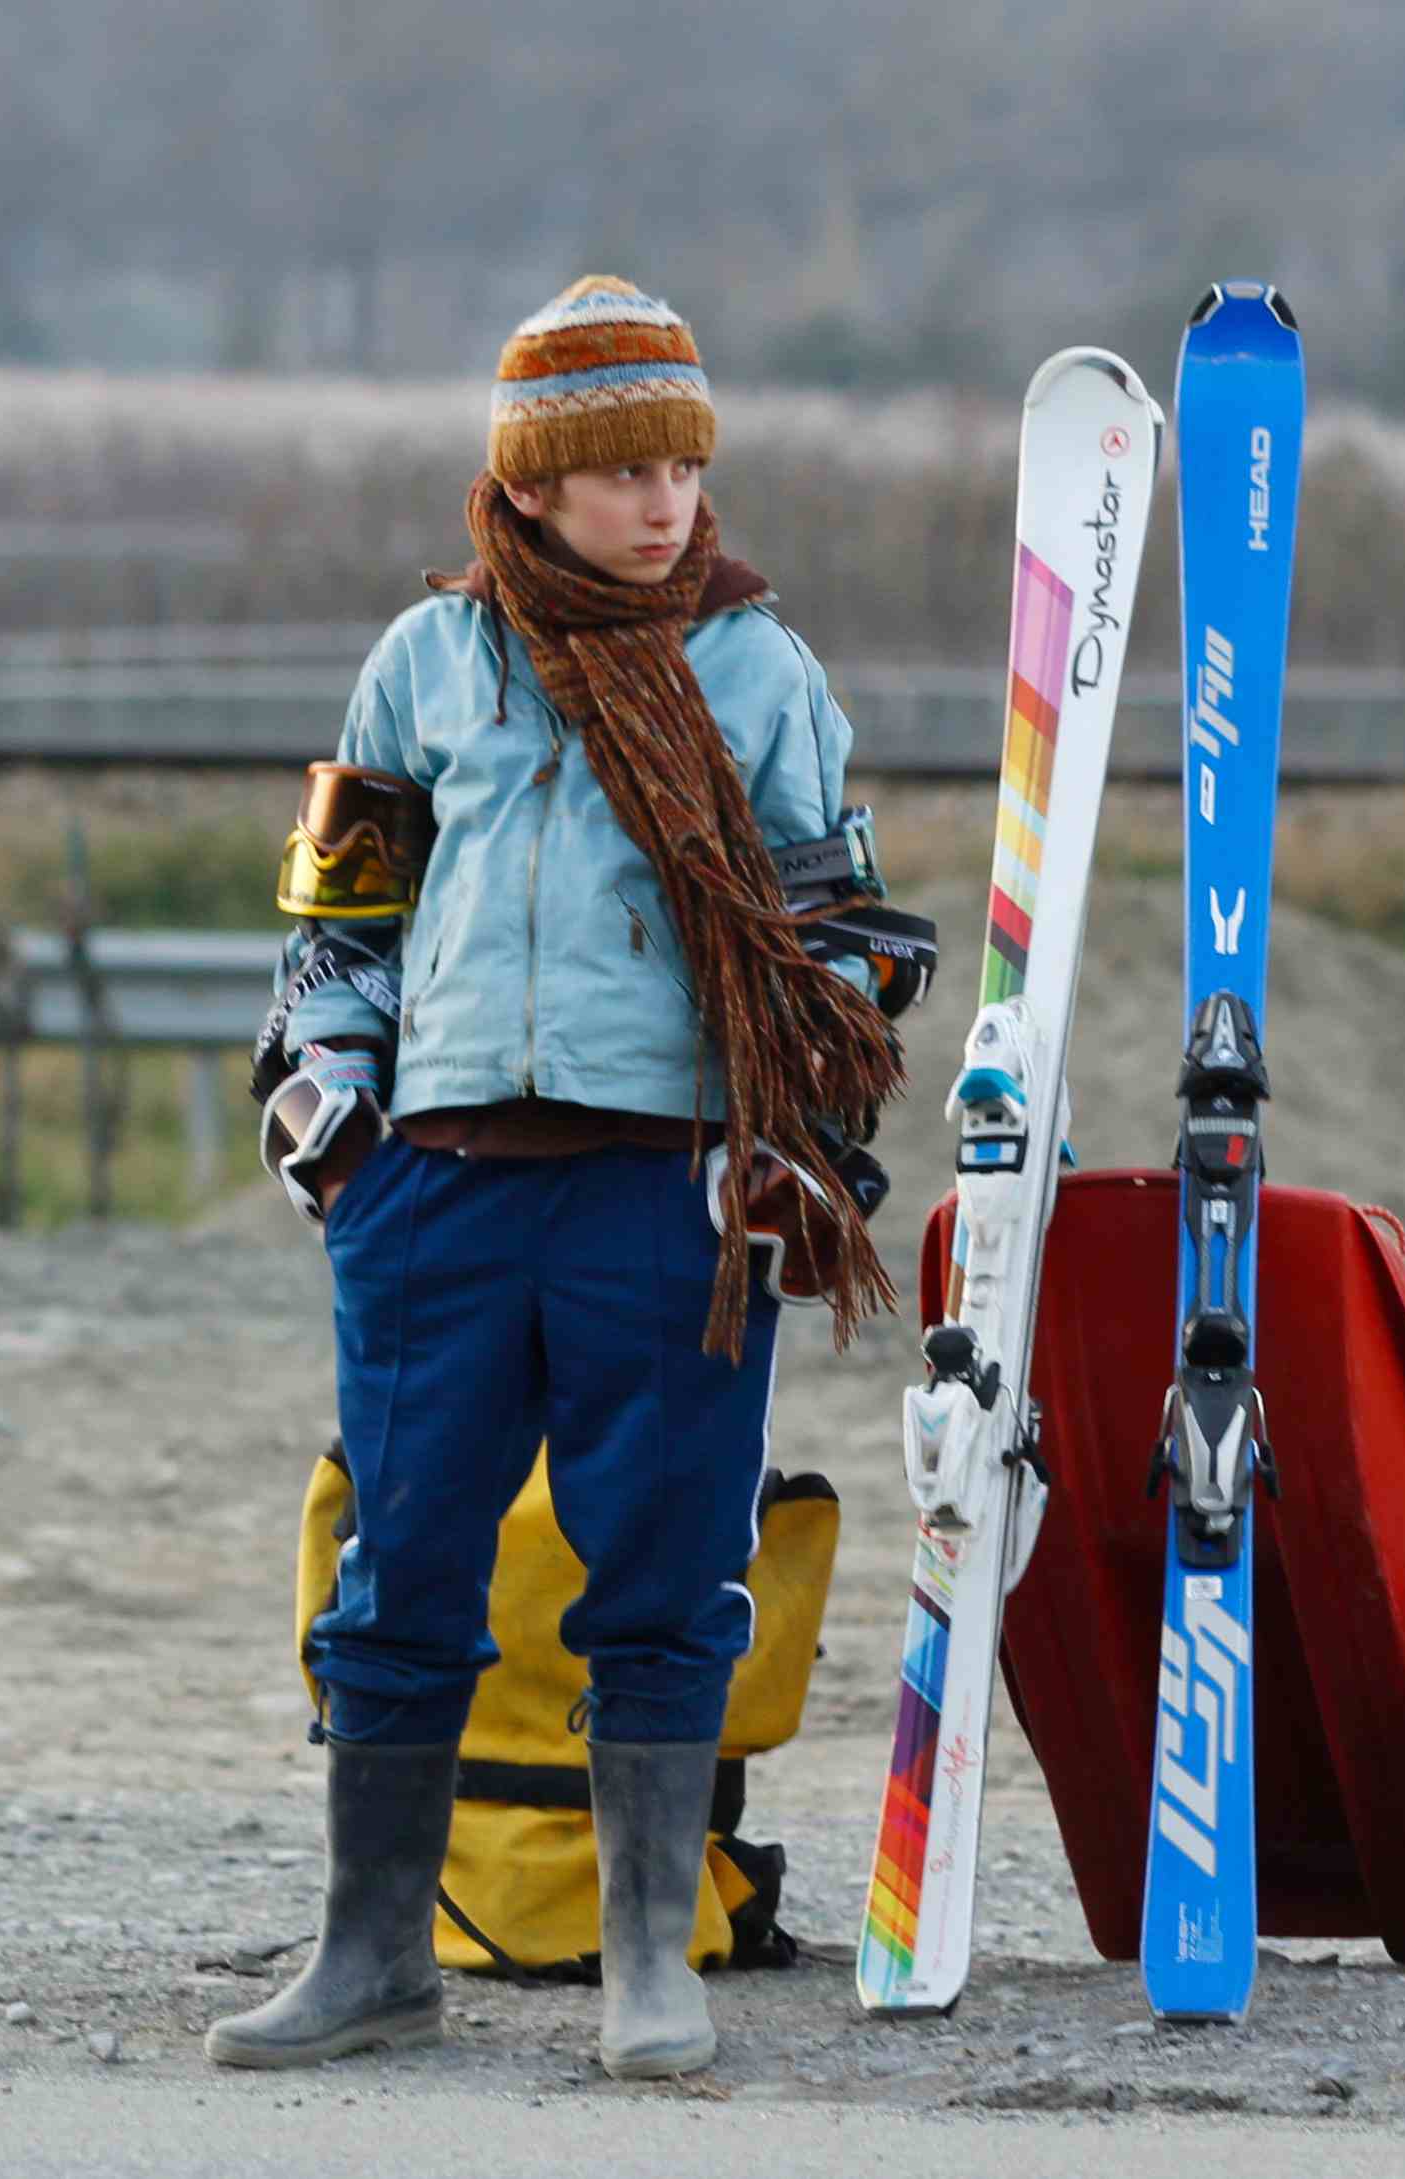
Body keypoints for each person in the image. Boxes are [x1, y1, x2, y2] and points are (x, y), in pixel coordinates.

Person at [212, 275, 936, 2078]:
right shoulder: (426, 661)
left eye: (682, 464)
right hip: (433, 1197)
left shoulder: (758, 668)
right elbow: (338, 929)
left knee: (668, 1571)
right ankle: (373, 1956)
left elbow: (847, 933)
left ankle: (648, 1958)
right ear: (529, 487)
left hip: (665, 1196)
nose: (663, 503)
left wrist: (790, 1154)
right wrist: (340, 1145)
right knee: (400, 1572)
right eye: (618, 472)